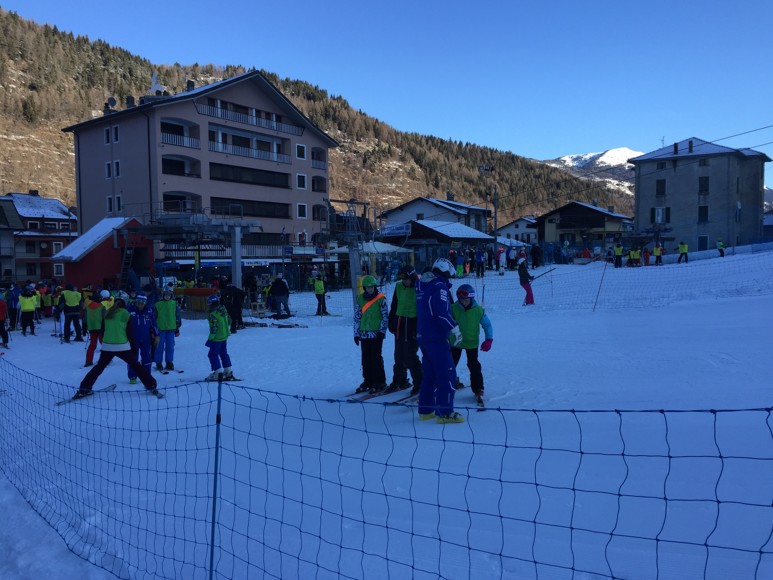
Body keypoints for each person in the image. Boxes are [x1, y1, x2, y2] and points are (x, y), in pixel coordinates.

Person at [73, 291, 158, 399]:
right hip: (122, 346)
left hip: (107, 346)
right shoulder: (126, 313)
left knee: (99, 368)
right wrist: (133, 348)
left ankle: (84, 388)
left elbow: (102, 330)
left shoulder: (108, 312)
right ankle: (151, 384)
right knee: (136, 366)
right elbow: (130, 334)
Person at [415, 257, 465, 424]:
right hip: (436, 337)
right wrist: (454, 328)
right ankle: (445, 412)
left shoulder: (422, 285)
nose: (450, 278)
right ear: (445, 271)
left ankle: (425, 410)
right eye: (449, 274)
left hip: (423, 335)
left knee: (430, 374)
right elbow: (441, 312)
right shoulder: (439, 287)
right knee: (447, 373)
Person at [450, 284, 493, 402]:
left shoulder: (478, 310)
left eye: (466, 300)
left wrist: (489, 339)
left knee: (473, 365)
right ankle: (446, 384)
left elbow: (487, 325)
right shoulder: (453, 308)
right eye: (461, 300)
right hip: (455, 343)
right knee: (450, 365)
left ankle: (478, 388)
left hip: (471, 343)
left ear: (471, 298)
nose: (463, 302)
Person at [386, 265, 422, 394]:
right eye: (403, 279)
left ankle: (420, 383)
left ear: (412, 277)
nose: (404, 281)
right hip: (400, 322)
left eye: (406, 279)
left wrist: (419, 327)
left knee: (410, 355)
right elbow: (394, 305)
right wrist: (392, 322)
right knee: (399, 354)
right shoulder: (399, 286)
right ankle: (400, 380)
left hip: (413, 323)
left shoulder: (420, 287)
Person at [353, 275, 388, 394]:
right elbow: (357, 317)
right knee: (366, 358)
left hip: (376, 334)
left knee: (375, 358)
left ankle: (380, 381)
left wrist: (382, 331)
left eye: (372, 287)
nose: (370, 289)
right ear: (364, 288)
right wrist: (356, 334)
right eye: (368, 287)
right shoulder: (360, 299)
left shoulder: (381, 298)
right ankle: (368, 380)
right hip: (364, 334)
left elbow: (385, 316)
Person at [127, 293, 157, 384]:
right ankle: (132, 376)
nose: (140, 305)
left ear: (145, 303)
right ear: (135, 302)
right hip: (133, 339)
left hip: (146, 339)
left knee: (146, 357)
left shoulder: (149, 311)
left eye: (142, 303)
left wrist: (156, 335)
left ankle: (146, 375)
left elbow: (154, 324)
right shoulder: (129, 310)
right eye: (138, 303)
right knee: (133, 358)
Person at [205, 294, 235, 381]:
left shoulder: (213, 314)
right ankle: (228, 370)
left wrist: (210, 339)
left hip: (217, 338)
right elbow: (229, 321)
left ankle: (218, 373)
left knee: (212, 354)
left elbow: (214, 329)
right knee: (223, 353)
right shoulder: (223, 311)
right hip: (224, 336)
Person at [153, 287, 181, 371]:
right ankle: (158, 363)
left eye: (169, 295)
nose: (167, 297)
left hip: (171, 329)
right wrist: (154, 328)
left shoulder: (174, 304)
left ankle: (169, 362)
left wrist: (177, 326)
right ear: (163, 295)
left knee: (170, 347)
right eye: (166, 295)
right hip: (160, 329)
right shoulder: (158, 304)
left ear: (171, 295)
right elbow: (154, 317)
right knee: (159, 347)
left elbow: (177, 315)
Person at [84, 289, 109, 367]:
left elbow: (84, 318)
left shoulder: (88, 307)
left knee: (92, 345)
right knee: (104, 344)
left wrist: (84, 327)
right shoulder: (101, 306)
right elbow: (105, 316)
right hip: (101, 327)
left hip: (91, 328)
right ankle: (106, 359)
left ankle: (88, 361)